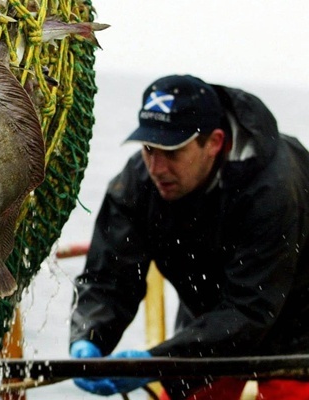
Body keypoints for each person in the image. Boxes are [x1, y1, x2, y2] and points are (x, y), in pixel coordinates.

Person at [69, 74, 309, 399]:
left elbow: (250, 311)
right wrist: (89, 335)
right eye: (149, 149)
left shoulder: (274, 189)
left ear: (213, 142)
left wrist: (157, 361)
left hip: (295, 321)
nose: (157, 167)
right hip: (209, 319)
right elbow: (108, 278)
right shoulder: (140, 181)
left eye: (172, 152)